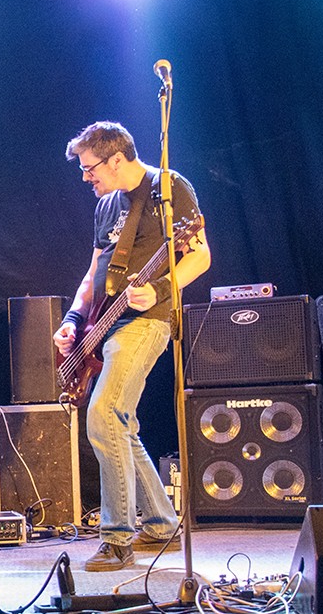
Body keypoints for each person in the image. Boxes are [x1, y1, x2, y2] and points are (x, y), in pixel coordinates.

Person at [53, 121, 211, 572]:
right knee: (119, 423)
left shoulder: (169, 188)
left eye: (90, 168)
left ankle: (117, 538)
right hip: (103, 322)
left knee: (103, 414)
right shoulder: (105, 205)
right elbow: (93, 272)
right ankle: (161, 523)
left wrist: (158, 289)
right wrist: (72, 319)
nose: (86, 177)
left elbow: (200, 255)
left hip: (146, 321)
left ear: (117, 158)